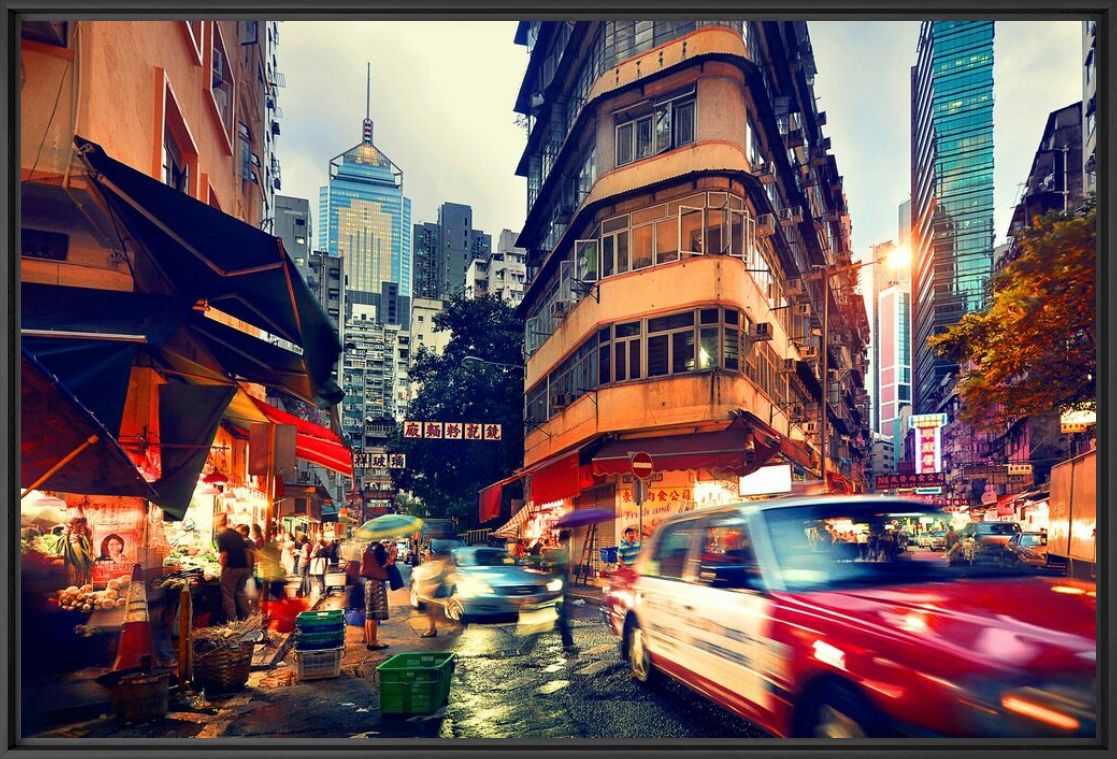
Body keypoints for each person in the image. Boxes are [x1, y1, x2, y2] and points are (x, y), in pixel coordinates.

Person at [216, 515, 252, 622]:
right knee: (241, 594)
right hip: (243, 568)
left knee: (228, 595)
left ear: (219, 523)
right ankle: (248, 619)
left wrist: (223, 570)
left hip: (232, 568)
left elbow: (224, 555)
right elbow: (247, 552)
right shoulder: (235, 533)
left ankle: (232, 622)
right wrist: (248, 568)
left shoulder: (222, 536)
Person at [360, 540, 391, 651]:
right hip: (377, 583)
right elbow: (383, 564)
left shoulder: (369, 547)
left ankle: (370, 640)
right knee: (374, 615)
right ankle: (373, 642)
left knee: (370, 614)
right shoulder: (379, 547)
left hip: (369, 582)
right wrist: (391, 559)